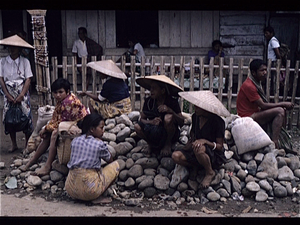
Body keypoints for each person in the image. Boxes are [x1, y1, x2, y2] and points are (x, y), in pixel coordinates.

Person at [23, 78, 88, 175]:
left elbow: (61, 122)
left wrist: (46, 128)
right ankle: (33, 160)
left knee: (53, 134)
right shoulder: (62, 100)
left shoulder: (68, 102)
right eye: (55, 92)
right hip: (69, 122)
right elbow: (56, 118)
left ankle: (47, 166)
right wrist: (47, 128)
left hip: (80, 124)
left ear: (67, 91)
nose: (58, 95)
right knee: (48, 134)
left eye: (60, 92)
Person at [172, 90, 230, 189]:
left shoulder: (218, 122)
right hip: (196, 149)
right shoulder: (195, 117)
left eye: (198, 106)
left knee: (199, 148)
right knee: (176, 156)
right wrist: (191, 142)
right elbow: (193, 133)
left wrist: (205, 141)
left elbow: (220, 146)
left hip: (212, 153)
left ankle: (209, 172)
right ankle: (196, 166)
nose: (195, 108)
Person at [236, 59, 294, 149]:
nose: (265, 73)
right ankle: (274, 142)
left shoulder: (256, 83)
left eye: (265, 70)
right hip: (248, 116)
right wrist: (283, 103)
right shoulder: (249, 86)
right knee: (280, 111)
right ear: (253, 72)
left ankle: (280, 139)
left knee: (283, 110)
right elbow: (263, 105)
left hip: (254, 112)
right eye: (262, 70)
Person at [65, 113, 120, 202]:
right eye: (101, 128)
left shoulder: (75, 140)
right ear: (92, 129)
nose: (103, 131)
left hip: (70, 189)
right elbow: (110, 159)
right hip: (90, 191)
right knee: (116, 165)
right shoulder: (99, 144)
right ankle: (99, 196)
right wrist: (102, 143)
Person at [134, 75, 184, 157]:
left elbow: (182, 122)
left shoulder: (172, 102)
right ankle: (151, 145)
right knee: (137, 127)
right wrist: (151, 122)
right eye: (151, 88)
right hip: (153, 131)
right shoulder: (149, 101)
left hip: (169, 133)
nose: (151, 90)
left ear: (163, 91)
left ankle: (167, 144)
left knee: (168, 118)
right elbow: (141, 119)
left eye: (154, 88)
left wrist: (170, 111)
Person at [0, 34, 35, 152]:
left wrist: (21, 95)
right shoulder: (3, 61)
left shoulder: (25, 61)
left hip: (22, 91)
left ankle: (27, 144)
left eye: (14, 47)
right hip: (8, 92)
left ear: (19, 48)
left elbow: (28, 79)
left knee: (25, 117)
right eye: (10, 47)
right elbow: (1, 79)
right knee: (9, 118)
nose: (12, 49)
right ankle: (14, 144)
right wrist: (7, 95)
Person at [264, 26, 281, 95]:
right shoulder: (271, 41)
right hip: (270, 62)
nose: (266, 35)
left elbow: (277, 53)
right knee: (270, 78)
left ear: (271, 33)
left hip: (273, 62)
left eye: (267, 33)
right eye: (265, 33)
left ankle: (273, 95)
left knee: (273, 79)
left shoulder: (273, 41)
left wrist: (279, 63)